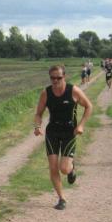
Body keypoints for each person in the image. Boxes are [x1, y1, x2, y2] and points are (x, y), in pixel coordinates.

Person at [33, 64, 93, 210]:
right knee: (53, 167)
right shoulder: (46, 93)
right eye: (52, 78)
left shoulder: (73, 90)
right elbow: (39, 113)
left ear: (64, 76)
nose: (55, 81)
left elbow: (89, 106)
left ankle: (71, 169)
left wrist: (81, 125)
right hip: (52, 131)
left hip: (69, 132)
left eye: (58, 78)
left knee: (64, 169)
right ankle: (62, 198)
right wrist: (37, 126)